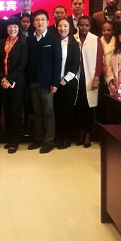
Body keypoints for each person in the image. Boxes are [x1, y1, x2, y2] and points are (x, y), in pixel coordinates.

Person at [26, 10, 62, 154]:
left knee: (48, 112)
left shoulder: (54, 38)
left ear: (48, 22)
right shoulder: (30, 39)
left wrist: (55, 82)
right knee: (37, 112)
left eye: (42, 19)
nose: (39, 22)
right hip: (33, 82)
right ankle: (38, 138)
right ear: (33, 23)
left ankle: (49, 141)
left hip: (47, 83)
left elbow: (58, 61)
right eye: (37, 20)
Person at [0, 18, 28, 154]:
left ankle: (15, 141)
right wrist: (2, 78)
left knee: (15, 112)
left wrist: (9, 79)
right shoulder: (2, 42)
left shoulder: (23, 43)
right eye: (10, 26)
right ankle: (9, 137)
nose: (12, 29)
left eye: (15, 26)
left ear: (19, 28)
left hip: (16, 82)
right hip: (3, 82)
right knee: (7, 110)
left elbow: (22, 63)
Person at [74, 16, 103, 148]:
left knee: (89, 107)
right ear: (77, 25)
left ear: (90, 27)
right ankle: (80, 131)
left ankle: (88, 133)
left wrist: (96, 77)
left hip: (90, 78)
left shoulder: (95, 39)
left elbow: (99, 60)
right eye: (82, 25)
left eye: (87, 25)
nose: (84, 27)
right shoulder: (73, 38)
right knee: (78, 106)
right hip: (76, 78)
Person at [54, 18, 80, 149]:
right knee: (57, 110)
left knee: (67, 111)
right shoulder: (53, 41)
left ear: (70, 28)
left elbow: (76, 64)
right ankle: (58, 136)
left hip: (68, 82)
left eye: (65, 26)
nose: (62, 29)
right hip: (55, 83)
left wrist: (65, 79)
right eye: (60, 26)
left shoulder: (73, 43)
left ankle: (66, 138)